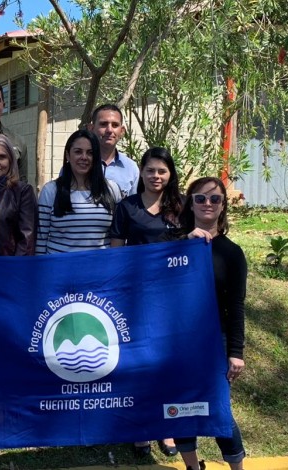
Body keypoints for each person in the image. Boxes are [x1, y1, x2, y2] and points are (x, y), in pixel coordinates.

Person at [109, 147, 183, 457]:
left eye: (162, 171)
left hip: (170, 300)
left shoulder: (180, 208)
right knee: (139, 362)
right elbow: (116, 252)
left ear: (170, 175)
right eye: (151, 170)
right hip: (134, 298)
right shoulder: (126, 207)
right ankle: (140, 425)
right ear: (141, 171)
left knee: (165, 363)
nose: (156, 176)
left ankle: (165, 428)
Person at [172, 177, 247, 470]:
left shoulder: (232, 253)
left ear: (223, 206)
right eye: (200, 198)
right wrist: (183, 247)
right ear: (190, 203)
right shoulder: (174, 247)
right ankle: (192, 466)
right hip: (177, 341)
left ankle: (237, 467)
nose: (207, 204)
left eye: (215, 199)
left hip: (216, 340)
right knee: (178, 406)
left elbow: (236, 305)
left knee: (218, 409)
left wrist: (236, 351)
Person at [36, 129, 121, 254]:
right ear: (67, 155)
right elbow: (41, 239)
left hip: (101, 270)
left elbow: (117, 236)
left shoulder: (111, 189)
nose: (84, 157)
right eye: (78, 152)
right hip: (59, 270)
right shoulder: (50, 191)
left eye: (90, 153)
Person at [89, 104, 139, 198]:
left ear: (122, 131)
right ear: (91, 128)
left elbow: (133, 209)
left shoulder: (131, 168)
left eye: (115, 125)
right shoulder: (78, 164)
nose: (109, 130)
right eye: (103, 124)